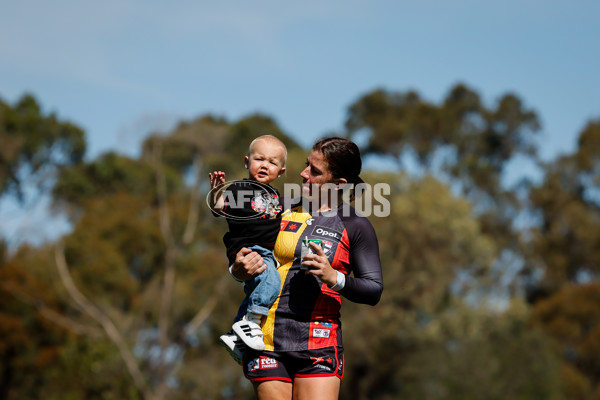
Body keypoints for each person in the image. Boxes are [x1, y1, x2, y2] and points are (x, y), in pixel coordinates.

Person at [230, 137, 383, 400]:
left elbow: (373, 289)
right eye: (305, 165)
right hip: (266, 341)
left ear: (339, 184)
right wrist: (237, 269)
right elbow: (241, 246)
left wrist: (333, 277)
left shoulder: (355, 224)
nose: (303, 174)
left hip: (320, 344)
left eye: (314, 171)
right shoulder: (279, 207)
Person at [209, 135, 287, 362]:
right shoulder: (240, 188)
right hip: (250, 250)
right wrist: (216, 191)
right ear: (246, 162)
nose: (265, 165)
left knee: (256, 291)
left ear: (281, 172)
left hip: (266, 252)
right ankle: (252, 321)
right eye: (259, 159)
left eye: (272, 162)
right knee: (273, 282)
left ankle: (236, 334)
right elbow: (218, 208)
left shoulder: (275, 195)